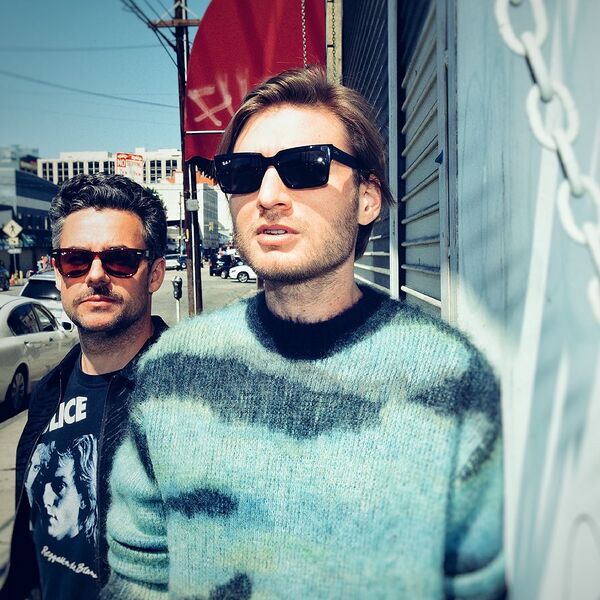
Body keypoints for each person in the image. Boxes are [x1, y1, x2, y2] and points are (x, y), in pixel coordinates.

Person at [103, 67, 505, 599]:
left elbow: (478, 583)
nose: (268, 194)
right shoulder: (172, 371)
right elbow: (138, 576)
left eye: (305, 166)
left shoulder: (451, 379)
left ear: (367, 197)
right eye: (243, 173)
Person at [1, 173, 169, 600]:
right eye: (75, 260)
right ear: (59, 275)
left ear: (154, 274)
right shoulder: (48, 391)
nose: (95, 275)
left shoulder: (187, 395)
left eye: (120, 260)